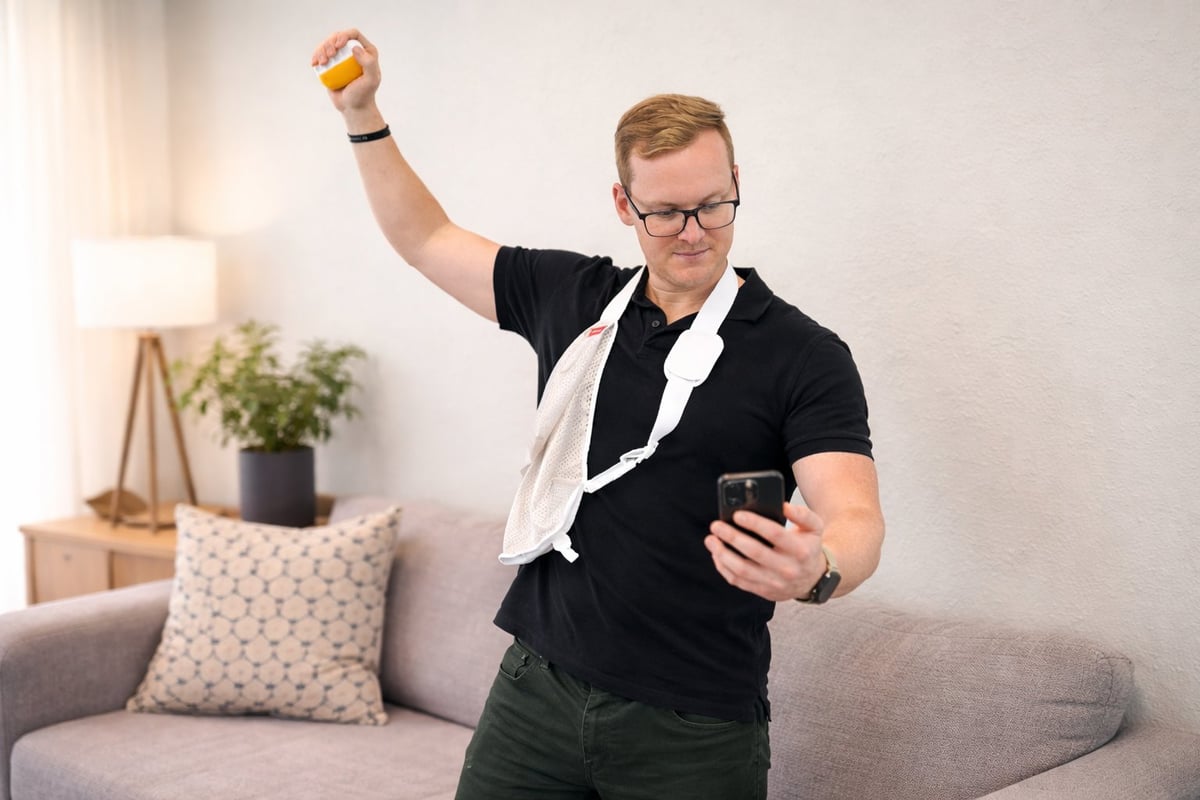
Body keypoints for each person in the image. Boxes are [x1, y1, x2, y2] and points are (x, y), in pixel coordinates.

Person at [313, 28, 885, 800]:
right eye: (667, 212)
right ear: (623, 203)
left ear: (737, 182)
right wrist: (362, 113)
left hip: (695, 728)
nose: (694, 233)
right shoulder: (573, 300)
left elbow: (855, 516)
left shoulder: (803, 354)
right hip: (535, 689)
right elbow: (424, 238)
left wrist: (820, 568)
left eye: (714, 206)